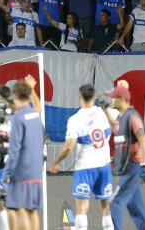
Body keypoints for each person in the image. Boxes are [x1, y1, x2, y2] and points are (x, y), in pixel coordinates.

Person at [50, 84, 114, 230]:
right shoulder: (103, 113)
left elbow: (68, 146)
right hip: (103, 166)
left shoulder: (75, 119)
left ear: (80, 98)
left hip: (85, 167)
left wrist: (56, 162)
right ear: (94, 98)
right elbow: (118, 121)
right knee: (105, 206)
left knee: (82, 208)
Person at [104, 82, 145, 230]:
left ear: (122, 99)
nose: (111, 100)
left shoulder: (132, 117)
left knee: (115, 203)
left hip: (133, 167)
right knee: (137, 211)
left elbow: (143, 140)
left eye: (113, 98)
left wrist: (144, 167)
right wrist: (105, 109)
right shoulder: (122, 117)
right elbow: (115, 127)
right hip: (127, 168)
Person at [4, 81, 45, 230]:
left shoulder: (18, 117)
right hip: (36, 170)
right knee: (32, 211)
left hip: (22, 170)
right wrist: (32, 89)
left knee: (20, 209)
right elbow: (38, 106)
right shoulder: (35, 114)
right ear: (28, 96)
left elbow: (14, 148)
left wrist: (8, 172)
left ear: (14, 95)